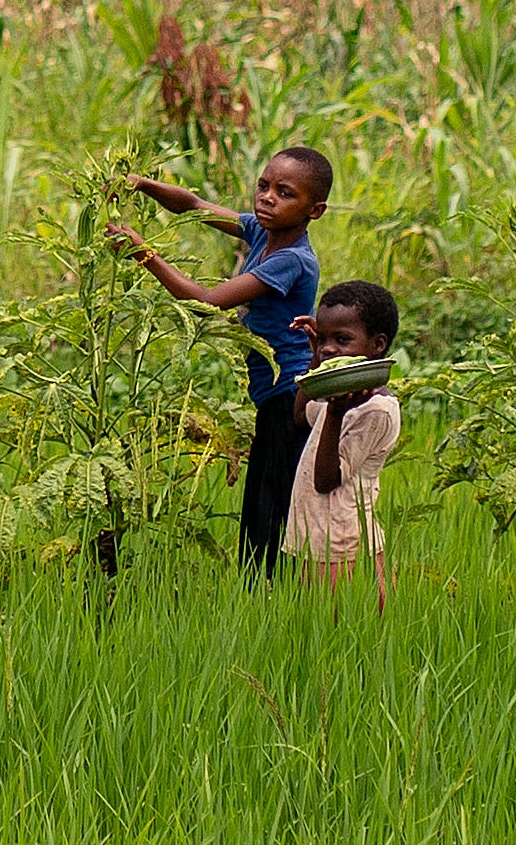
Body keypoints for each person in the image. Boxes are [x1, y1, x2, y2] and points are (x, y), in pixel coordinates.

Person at [107, 144, 331, 571]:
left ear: (314, 210)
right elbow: (191, 205)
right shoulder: (262, 232)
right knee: (268, 507)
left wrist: (143, 253)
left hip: (289, 397)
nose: (267, 198)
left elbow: (208, 301)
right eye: (264, 186)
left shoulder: (291, 260)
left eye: (285, 193)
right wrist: (142, 184)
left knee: (270, 516)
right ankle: (271, 593)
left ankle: (271, 598)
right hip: (272, 396)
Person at [288, 279, 400, 608]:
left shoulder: (375, 409)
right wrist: (314, 361)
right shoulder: (339, 395)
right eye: (323, 339)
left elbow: (326, 480)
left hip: (343, 537)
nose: (328, 349)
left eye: (342, 340)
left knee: (343, 622)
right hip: (319, 530)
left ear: (377, 345)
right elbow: (300, 415)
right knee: (322, 623)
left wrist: (336, 414)